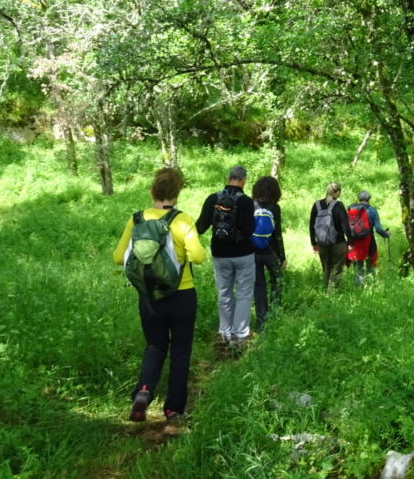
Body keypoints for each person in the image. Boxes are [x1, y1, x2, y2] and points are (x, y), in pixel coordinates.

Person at [112, 167, 206, 422]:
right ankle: (173, 409)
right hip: (182, 294)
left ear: (153, 190)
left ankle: (143, 390)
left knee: (155, 346)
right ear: (177, 192)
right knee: (180, 351)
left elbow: (119, 257)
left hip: (150, 297)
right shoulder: (182, 220)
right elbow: (198, 256)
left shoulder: (137, 219)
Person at [196, 165, 256, 351]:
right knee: (244, 294)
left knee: (224, 293)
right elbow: (249, 230)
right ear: (243, 180)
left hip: (220, 253)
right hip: (243, 254)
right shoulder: (246, 202)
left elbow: (200, 226)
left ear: (228, 178)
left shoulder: (213, 198)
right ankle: (239, 336)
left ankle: (225, 333)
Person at [251, 175, 285, 331]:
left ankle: (261, 321)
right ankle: (275, 314)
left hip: (253, 253)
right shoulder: (274, 208)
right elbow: (277, 234)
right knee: (277, 283)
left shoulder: (251, 205)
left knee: (259, 286)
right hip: (272, 252)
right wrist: (282, 256)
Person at [309, 182, 348, 290]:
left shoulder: (316, 205)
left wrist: (313, 242)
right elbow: (345, 225)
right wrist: (350, 242)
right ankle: (331, 296)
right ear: (337, 193)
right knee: (336, 269)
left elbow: (311, 225)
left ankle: (324, 291)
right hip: (338, 243)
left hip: (322, 243)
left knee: (326, 269)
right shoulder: (339, 205)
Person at [346, 190, 390, 285]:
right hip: (369, 242)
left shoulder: (352, 210)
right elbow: (378, 229)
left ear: (358, 199)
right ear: (369, 199)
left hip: (355, 243)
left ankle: (359, 287)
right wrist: (386, 234)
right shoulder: (372, 210)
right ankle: (371, 286)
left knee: (358, 267)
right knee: (370, 265)